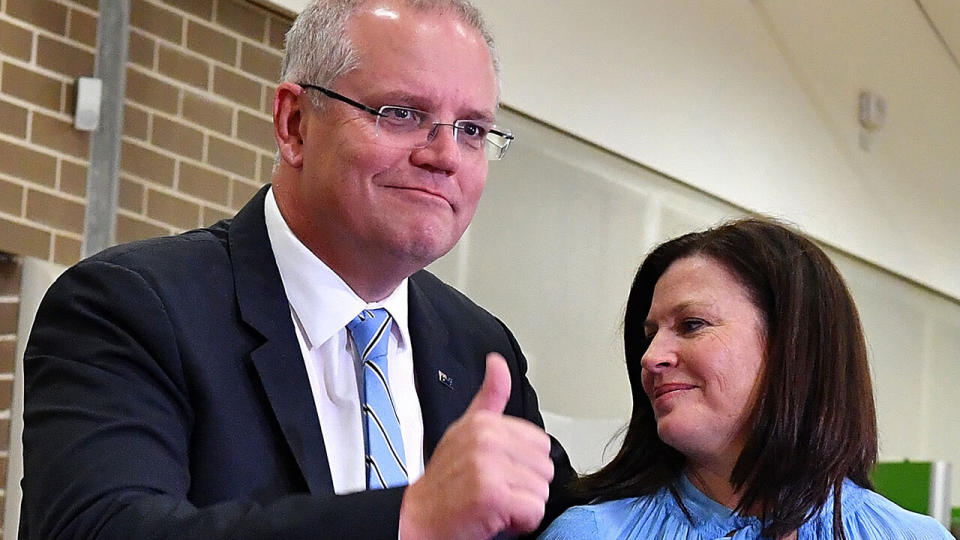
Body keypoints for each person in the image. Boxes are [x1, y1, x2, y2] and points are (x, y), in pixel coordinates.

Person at [19, 1, 575, 538]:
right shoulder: (129, 306)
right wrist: (412, 521)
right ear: (294, 124)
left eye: (472, 130)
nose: (445, 155)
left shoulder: (481, 349)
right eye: (402, 113)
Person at [540, 218, 952, 539]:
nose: (650, 358)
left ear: (793, 345)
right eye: (649, 336)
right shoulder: (589, 533)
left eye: (692, 324)